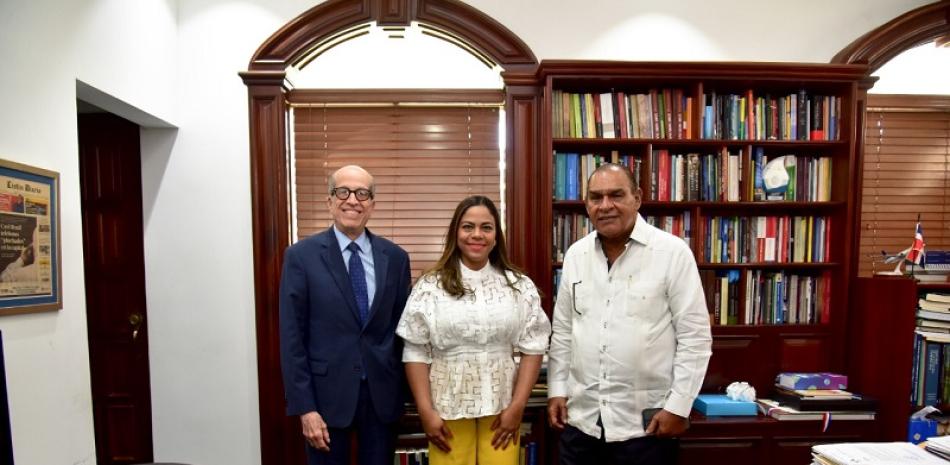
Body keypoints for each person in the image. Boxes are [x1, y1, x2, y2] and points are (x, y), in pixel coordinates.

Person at [547, 163, 712, 465]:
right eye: (596, 197)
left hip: (645, 428)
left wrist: (678, 407)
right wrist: (557, 389)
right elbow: (563, 332)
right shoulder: (575, 255)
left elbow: (695, 338)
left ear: (637, 198)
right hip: (581, 421)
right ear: (587, 204)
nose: (605, 205)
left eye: (616, 195)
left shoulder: (672, 253)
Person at [396, 195, 551, 465]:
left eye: (486, 227)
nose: (476, 235)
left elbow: (534, 346)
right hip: (446, 406)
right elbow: (415, 350)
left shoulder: (518, 285)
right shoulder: (430, 285)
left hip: (503, 404)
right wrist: (425, 411)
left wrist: (517, 407)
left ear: (495, 236)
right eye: (468, 227)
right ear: (456, 232)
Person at [279, 165, 412, 465]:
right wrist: (305, 408)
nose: (353, 200)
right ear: (329, 201)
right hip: (325, 399)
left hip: (381, 398)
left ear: (373, 205)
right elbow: (292, 339)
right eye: (343, 191)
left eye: (363, 193)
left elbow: (402, 331)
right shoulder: (301, 257)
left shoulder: (395, 258)